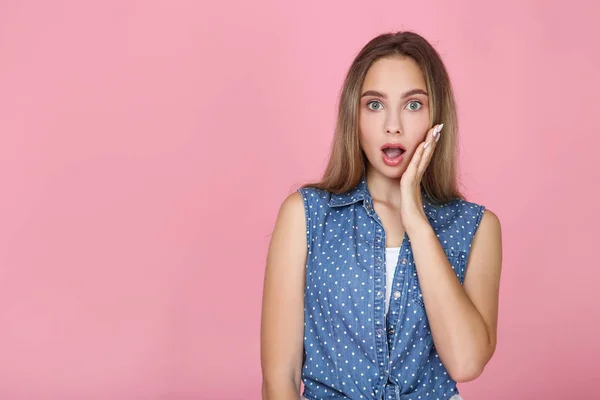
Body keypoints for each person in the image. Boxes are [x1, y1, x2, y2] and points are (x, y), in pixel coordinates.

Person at [260, 31, 503, 400]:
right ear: (353, 116)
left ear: (437, 116)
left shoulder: (476, 227)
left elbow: (466, 362)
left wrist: (417, 221)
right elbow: (280, 378)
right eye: (374, 105)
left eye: (413, 105)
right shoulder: (306, 216)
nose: (394, 125)